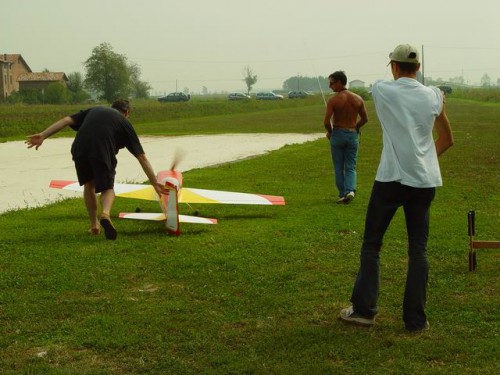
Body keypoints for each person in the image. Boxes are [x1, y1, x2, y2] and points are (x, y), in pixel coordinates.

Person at [339, 44, 454, 332]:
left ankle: (364, 310)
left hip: (390, 179)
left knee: (372, 245)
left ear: (394, 66)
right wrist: (425, 160)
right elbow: (446, 138)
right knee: (418, 249)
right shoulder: (435, 96)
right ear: (418, 67)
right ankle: (415, 320)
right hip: (424, 181)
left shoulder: (382, 90)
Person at [26, 99, 168, 240]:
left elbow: (66, 120)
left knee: (89, 185)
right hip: (101, 151)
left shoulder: (95, 109)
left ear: (112, 107)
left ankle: (94, 225)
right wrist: (154, 182)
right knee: (107, 188)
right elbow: (141, 157)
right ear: (127, 113)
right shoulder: (124, 122)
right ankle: (105, 214)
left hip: (79, 149)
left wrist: (44, 135)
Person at [323, 71, 368, 204]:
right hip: (352, 134)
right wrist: (356, 127)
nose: (330, 86)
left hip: (338, 134)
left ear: (339, 82)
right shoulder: (358, 99)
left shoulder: (333, 100)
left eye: (332, 83)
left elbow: (326, 121)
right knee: (351, 166)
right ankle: (350, 191)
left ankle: (343, 193)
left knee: (338, 167)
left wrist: (330, 132)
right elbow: (365, 119)